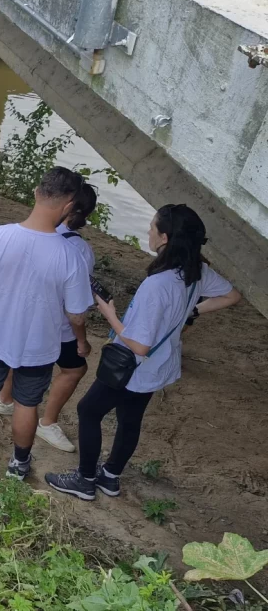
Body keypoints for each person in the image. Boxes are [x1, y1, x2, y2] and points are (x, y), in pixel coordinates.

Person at [45, 204, 241, 501]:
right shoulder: (196, 271)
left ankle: (85, 480)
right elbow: (232, 295)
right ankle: (110, 477)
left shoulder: (157, 285)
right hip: (159, 366)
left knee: (88, 411)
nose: (148, 232)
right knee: (130, 419)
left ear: (164, 238)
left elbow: (139, 345)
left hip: (131, 366)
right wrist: (191, 312)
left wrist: (110, 313)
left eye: (152, 228)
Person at [0, 167, 93, 480]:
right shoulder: (71, 257)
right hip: (39, 348)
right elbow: (76, 313)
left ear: (37, 193)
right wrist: (79, 336)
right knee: (27, 404)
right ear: (69, 207)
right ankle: (19, 464)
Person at [0, 183, 99, 452]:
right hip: (56, 328)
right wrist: (82, 341)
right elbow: (75, 311)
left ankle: (4, 399)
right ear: (83, 213)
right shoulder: (79, 251)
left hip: (22, 319)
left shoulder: (29, 234)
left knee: (18, 357)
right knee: (75, 368)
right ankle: (47, 422)